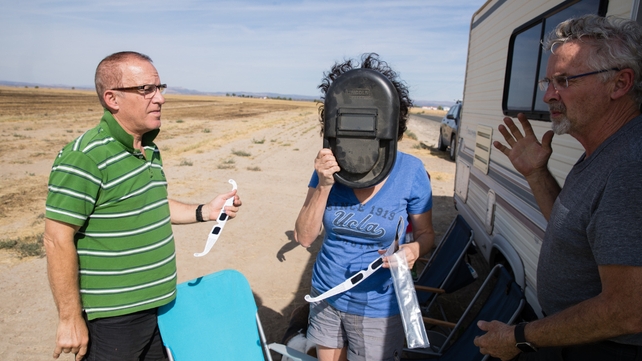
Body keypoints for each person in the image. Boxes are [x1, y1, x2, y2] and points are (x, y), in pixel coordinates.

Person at [43, 51, 242, 361]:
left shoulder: (147, 146)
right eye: (146, 89)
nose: (160, 98)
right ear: (112, 99)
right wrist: (70, 319)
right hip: (114, 319)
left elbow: (151, 205)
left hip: (162, 308)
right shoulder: (84, 157)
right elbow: (57, 239)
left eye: (160, 88)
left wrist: (205, 211)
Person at [474, 15, 642, 361]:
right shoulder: (602, 151)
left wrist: (517, 337)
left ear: (620, 83)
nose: (550, 95)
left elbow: (629, 310)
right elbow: (574, 233)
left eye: (564, 80)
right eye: (547, 82)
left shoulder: (630, 165)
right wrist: (537, 174)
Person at [294, 53, 435, 361]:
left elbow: (426, 234)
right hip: (327, 296)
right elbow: (304, 237)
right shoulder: (328, 169)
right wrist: (324, 184)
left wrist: (414, 251)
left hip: (379, 307)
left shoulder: (411, 172)